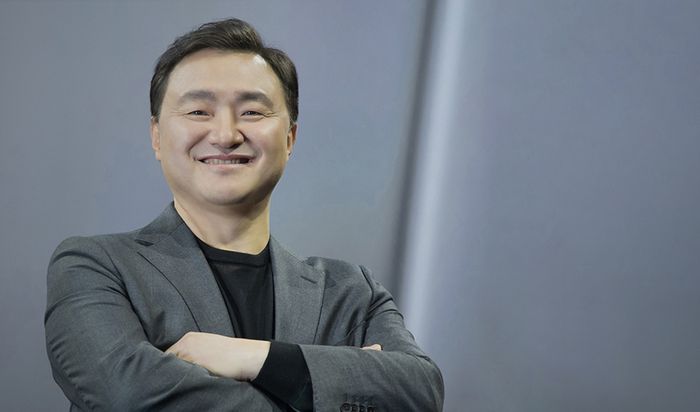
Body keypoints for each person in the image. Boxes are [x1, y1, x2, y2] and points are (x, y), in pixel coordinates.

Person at [45, 18, 444, 412]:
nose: (225, 134)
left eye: (252, 112)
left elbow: (420, 391)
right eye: (198, 111)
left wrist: (254, 357)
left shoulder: (351, 292)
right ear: (157, 136)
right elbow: (128, 394)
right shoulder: (96, 268)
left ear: (290, 138)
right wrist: (318, 386)